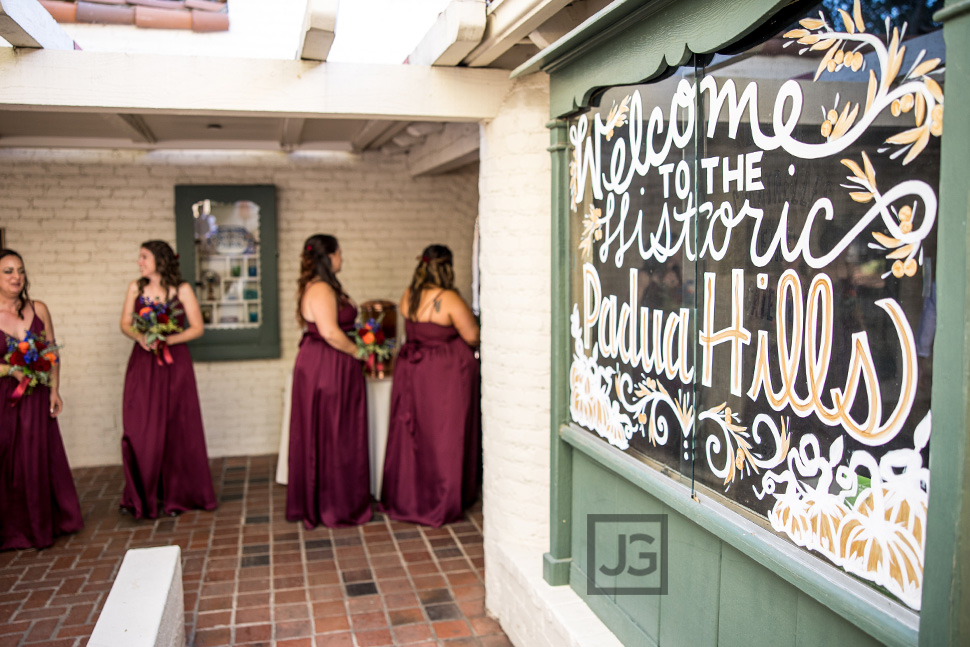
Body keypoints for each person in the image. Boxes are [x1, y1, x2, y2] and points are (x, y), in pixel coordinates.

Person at [380, 244, 481, 527]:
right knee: (444, 436)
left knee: (415, 434)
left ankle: (409, 496)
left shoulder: (408, 295)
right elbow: (472, 336)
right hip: (443, 376)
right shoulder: (448, 298)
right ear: (447, 267)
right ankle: (441, 498)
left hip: (412, 372)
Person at [118, 240, 216, 519]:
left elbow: (197, 328)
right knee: (141, 427)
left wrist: (167, 339)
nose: (139, 262)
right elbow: (125, 322)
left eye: (144, 257)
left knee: (178, 426)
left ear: (160, 261)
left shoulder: (182, 290)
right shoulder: (135, 288)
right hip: (143, 363)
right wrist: (142, 337)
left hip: (175, 364)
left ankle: (179, 495)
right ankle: (142, 493)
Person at [0, 249, 83, 549]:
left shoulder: (39, 308)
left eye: (20, 270)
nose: (16, 277)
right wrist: (11, 369)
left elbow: (51, 352)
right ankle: (12, 528)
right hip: (4, 400)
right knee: (8, 461)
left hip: (35, 397)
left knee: (37, 458)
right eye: (8, 271)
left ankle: (42, 524)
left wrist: (54, 389)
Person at [287, 234, 372, 528]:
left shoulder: (322, 285)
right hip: (328, 364)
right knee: (335, 431)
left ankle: (332, 497)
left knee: (330, 430)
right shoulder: (322, 288)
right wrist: (360, 352)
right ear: (330, 257)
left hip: (325, 361)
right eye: (340, 253)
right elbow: (331, 332)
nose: (342, 258)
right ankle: (334, 504)